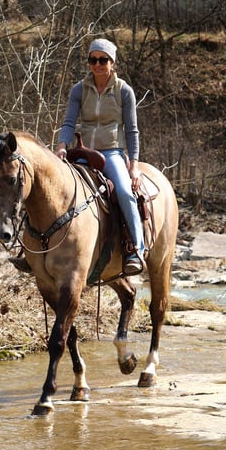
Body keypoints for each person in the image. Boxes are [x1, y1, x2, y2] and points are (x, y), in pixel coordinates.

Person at [55, 38, 146, 276]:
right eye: (92, 60)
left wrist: (134, 166)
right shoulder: (79, 89)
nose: (97, 64)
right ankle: (39, 249)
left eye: (103, 60)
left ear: (112, 62)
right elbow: (68, 122)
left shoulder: (124, 91)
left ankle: (136, 249)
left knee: (126, 193)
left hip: (111, 152)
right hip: (83, 151)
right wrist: (62, 146)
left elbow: (132, 130)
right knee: (54, 187)